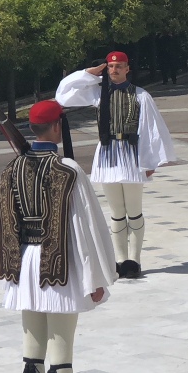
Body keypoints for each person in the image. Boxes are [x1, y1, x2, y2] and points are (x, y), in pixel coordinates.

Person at [0, 100, 116, 373]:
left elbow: (4, 224)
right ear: (57, 126)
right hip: (60, 267)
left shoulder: (11, 169)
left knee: (32, 352)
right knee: (61, 353)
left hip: (23, 265)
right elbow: (86, 229)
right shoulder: (68, 170)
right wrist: (96, 277)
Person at [55, 51, 176, 279]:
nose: (114, 70)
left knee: (134, 210)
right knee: (117, 212)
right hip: (108, 155)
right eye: (111, 67)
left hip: (131, 154)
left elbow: (151, 129)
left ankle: (135, 260)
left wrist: (150, 161)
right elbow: (63, 95)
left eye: (119, 66)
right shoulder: (98, 94)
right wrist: (88, 74)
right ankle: (120, 261)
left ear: (127, 68)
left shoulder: (141, 96)